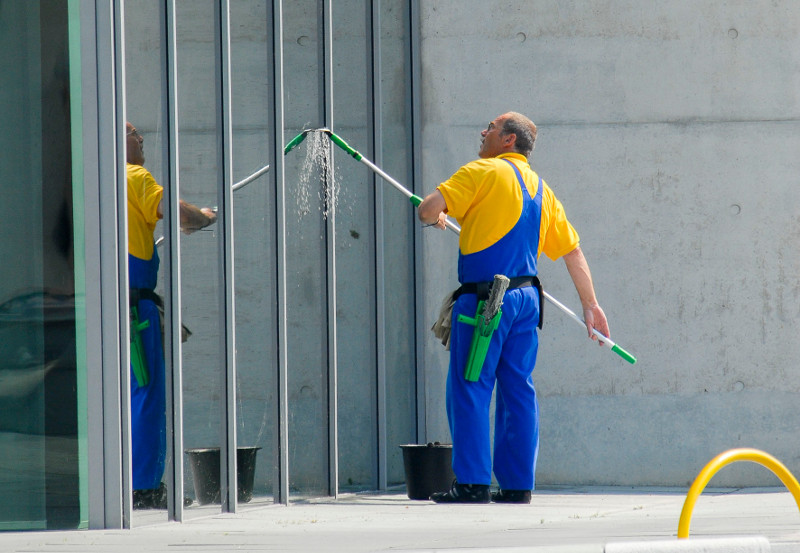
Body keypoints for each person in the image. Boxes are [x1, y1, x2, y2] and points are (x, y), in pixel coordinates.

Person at [417, 112, 609, 504]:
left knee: (471, 386)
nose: (483, 131)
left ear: (507, 140)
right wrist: (591, 305)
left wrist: (437, 214)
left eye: (491, 127)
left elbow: (426, 208)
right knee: (518, 389)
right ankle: (518, 485)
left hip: (487, 303)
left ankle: (471, 483)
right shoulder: (541, 189)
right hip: (526, 303)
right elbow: (572, 251)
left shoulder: (481, 172)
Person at [126, 121, 217, 509]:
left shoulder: (91, 182)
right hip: (134, 311)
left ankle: (123, 482)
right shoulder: (133, 175)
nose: (141, 139)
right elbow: (178, 211)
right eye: (132, 134)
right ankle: (144, 488)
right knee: (146, 394)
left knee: (121, 397)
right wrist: (205, 217)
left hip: (106, 305)